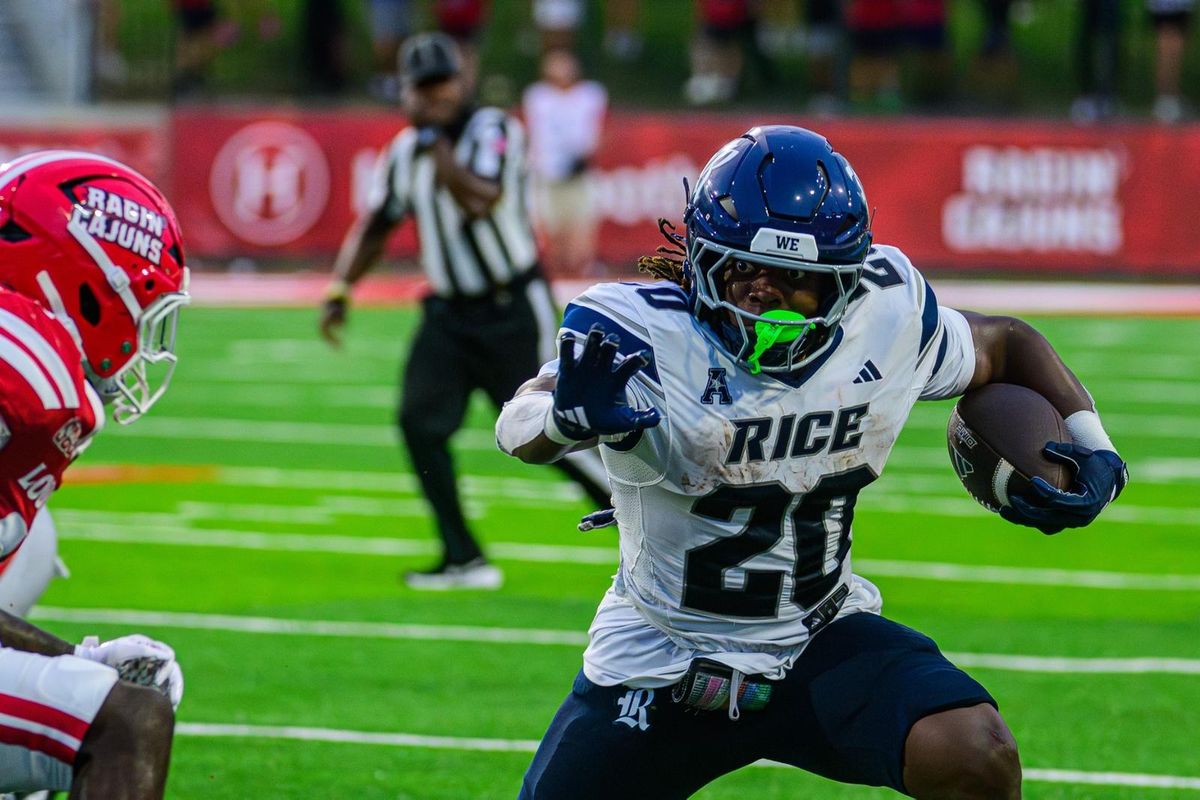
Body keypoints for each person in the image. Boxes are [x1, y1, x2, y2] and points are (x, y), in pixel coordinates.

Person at [496, 126, 1129, 798]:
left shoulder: (883, 317)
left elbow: (1005, 344)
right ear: (700, 261)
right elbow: (517, 423)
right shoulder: (645, 334)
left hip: (817, 639)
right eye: (744, 273)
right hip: (664, 654)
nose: (766, 298)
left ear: (847, 285)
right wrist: (566, 418)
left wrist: (1097, 449)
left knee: (973, 750)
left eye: (799, 282)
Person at [320, 32, 610, 591]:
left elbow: (480, 199)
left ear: (463, 79)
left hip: (510, 309)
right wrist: (340, 289)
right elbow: (379, 223)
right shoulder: (405, 151)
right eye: (421, 88)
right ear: (404, 92)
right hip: (449, 316)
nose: (433, 97)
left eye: (441, 83)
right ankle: (463, 556)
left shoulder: (495, 130)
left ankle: (655, 537)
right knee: (418, 423)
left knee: (561, 434)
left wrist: (437, 145)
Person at [0, 150, 191, 797]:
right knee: (128, 725)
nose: (143, 334)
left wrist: (73, 659)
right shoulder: (27, 367)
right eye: (143, 303)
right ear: (87, 279)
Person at [522, 48, 608, 275]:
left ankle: (580, 275)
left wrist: (584, 156)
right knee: (552, 236)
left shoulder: (590, 95)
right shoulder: (538, 97)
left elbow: (596, 133)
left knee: (580, 234)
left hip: (578, 173)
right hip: (549, 174)